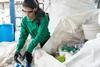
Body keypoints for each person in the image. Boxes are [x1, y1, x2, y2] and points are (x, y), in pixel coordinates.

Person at [14, 0, 50, 67]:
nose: (27, 14)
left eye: (29, 12)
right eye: (24, 11)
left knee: (45, 61)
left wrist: (29, 50)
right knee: (26, 59)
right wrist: (18, 50)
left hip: (46, 42)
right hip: (35, 42)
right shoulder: (24, 21)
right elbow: (22, 37)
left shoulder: (43, 18)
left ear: (35, 9)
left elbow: (40, 35)